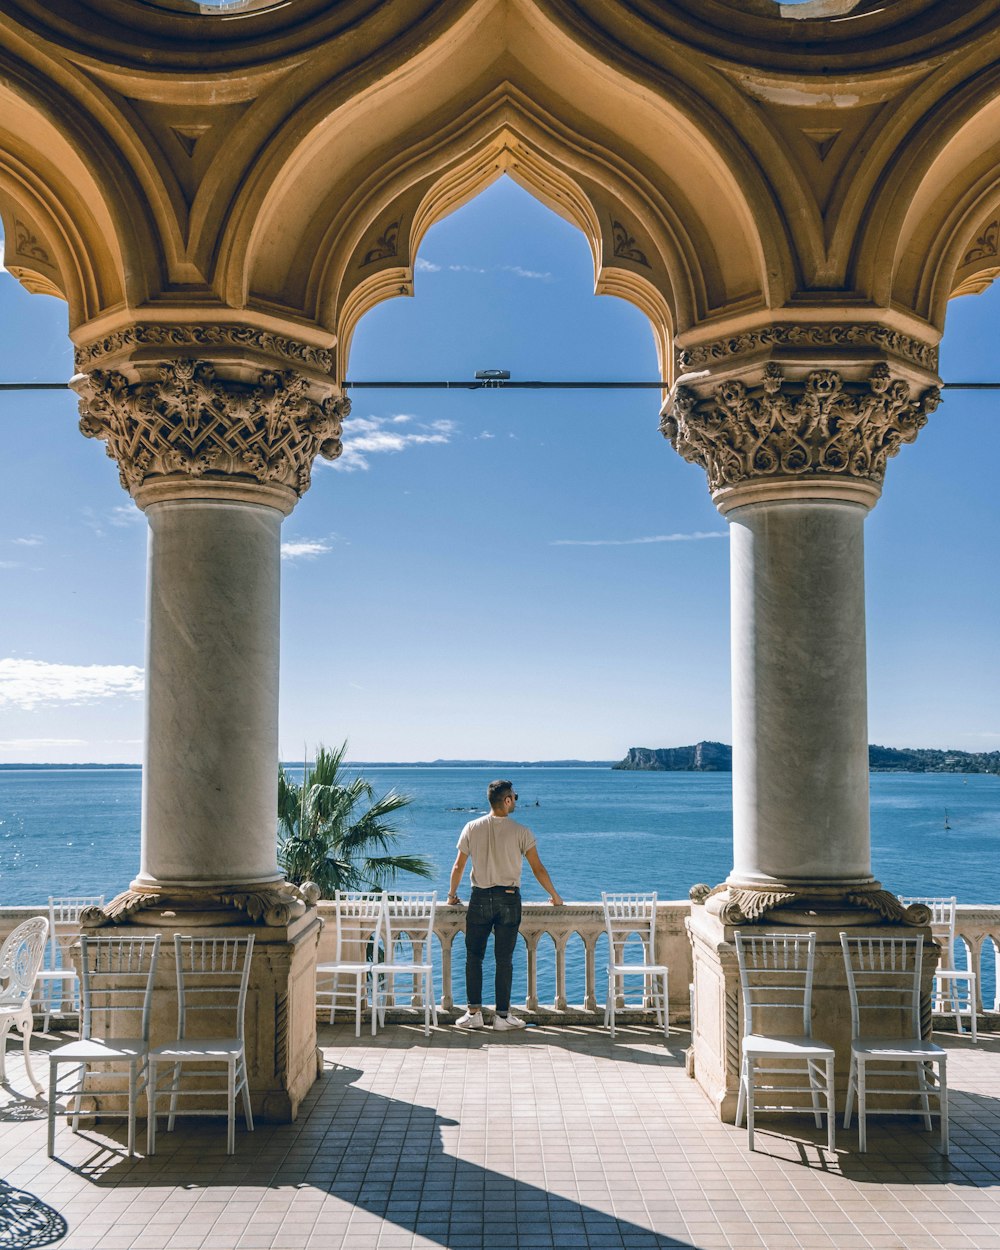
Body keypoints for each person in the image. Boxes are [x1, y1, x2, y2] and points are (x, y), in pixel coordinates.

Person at [447, 779, 563, 1031]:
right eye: (515, 797)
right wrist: (554, 895)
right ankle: (502, 1016)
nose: (516, 801)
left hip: (479, 897)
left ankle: (474, 1013)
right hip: (509, 898)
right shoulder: (522, 832)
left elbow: (458, 866)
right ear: (507, 800)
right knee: (504, 959)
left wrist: (451, 895)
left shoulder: (471, 827)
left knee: (473, 957)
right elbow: (538, 868)